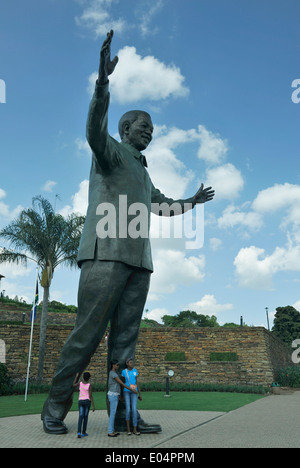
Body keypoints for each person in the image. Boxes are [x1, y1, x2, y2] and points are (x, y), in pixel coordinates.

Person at [41, 30, 215, 435]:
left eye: (152, 127)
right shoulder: (110, 152)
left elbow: (162, 204)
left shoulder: (142, 170)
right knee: (87, 335)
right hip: (105, 254)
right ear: (125, 128)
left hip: (139, 261)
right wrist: (102, 83)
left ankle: (122, 415)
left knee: (125, 345)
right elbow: (92, 129)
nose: (149, 131)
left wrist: (191, 201)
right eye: (143, 125)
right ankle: (54, 408)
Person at [107, 360, 137, 437]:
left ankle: (112, 430)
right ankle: (110, 431)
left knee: (113, 413)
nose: (117, 367)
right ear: (113, 365)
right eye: (117, 365)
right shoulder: (113, 373)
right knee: (113, 413)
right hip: (113, 395)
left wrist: (119, 394)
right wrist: (132, 390)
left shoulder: (113, 373)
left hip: (115, 394)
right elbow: (121, 383)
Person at [122, 358, 142, 435]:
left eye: (132, 362)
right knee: (128, 409)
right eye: (130, 362)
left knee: (134, 409)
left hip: (134, 392)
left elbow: (137, 382)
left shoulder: (135, 371)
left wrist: (140, 394)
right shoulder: (124, 371)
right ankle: (128, 429)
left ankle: (134, 429)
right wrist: (121, 394)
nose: (131, 364)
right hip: (126, 391)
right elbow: (123, 383)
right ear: (127, 363)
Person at [73, 372, 95, 438]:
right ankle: (84, 432)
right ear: (89, 378)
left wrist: (76, 377)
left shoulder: (80, 383)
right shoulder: (89, 385)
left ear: (83, 377)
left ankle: (79, 432)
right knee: (85, 417)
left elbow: (73, 385)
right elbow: (90, 396)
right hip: (87, 401)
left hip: (81, 401)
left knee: (80, 416)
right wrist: (93, 406)